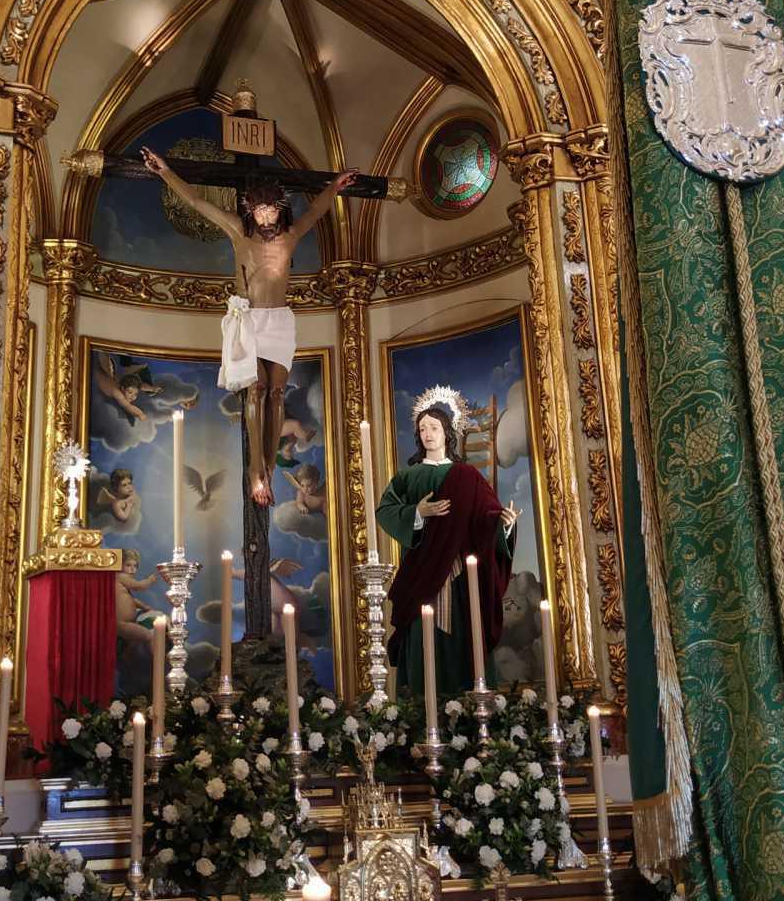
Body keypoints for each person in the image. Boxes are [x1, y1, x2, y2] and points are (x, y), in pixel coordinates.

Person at [141, 146, 356, 505]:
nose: (266, 215)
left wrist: (334, 187)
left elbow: (316, 211)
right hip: (249, 320)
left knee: (275, 393)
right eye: (259, 209)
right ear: (250, 210)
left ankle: (269, 469)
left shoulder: (290, 235)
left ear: (279, 208)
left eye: (271, 208)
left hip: (280, 321)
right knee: (254, 390)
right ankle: (255, 471)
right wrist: (165, 171)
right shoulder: (239, 231)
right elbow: (196, 201)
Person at [377, 401, 519, 696]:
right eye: (422, 429)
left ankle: (472, 716)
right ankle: (419, 717)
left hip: (459, 579)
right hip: (421, 577)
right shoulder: (408, 477)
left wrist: (504, 525)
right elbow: (387, 511)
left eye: (434, 427)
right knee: (421, 641)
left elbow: (486, 519)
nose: (427, 434)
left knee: (465, 640)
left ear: (447, 433)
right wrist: (418, 512)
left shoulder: (467, 476)